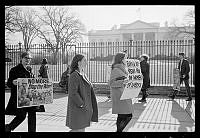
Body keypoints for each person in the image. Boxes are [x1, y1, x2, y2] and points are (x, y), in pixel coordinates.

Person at [5, 52, 45, 132]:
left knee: (32, 115)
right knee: (21, 116)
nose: (28, 60)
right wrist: (13, 82)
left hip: (30, 96)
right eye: (26, 58)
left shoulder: (30, 69)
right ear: (21, 58)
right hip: (20, 97)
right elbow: (9, 83)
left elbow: (32, 82)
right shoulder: (14, 70)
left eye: (29, 58)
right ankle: (8, 127)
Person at [66, 54, 98, 132]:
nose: (86, 62)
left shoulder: (82, 73)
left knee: (81, 129)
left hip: (83, 108)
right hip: (78, 108)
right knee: (78, 129)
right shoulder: (74, 75)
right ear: (78, 62)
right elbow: (73, 92)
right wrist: (81, 104)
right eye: (84, 60)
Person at [109, 52, 133, 132]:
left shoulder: (123, 69)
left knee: (123, 115)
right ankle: (119, 131)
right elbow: (111, 83)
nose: (126, 60)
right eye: (125, 58)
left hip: (124, 95)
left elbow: (124, 80)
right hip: (120, 96)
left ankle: (119, 130)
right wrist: (123, 82)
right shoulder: (116, 69)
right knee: (126, 115)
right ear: (121, 59)